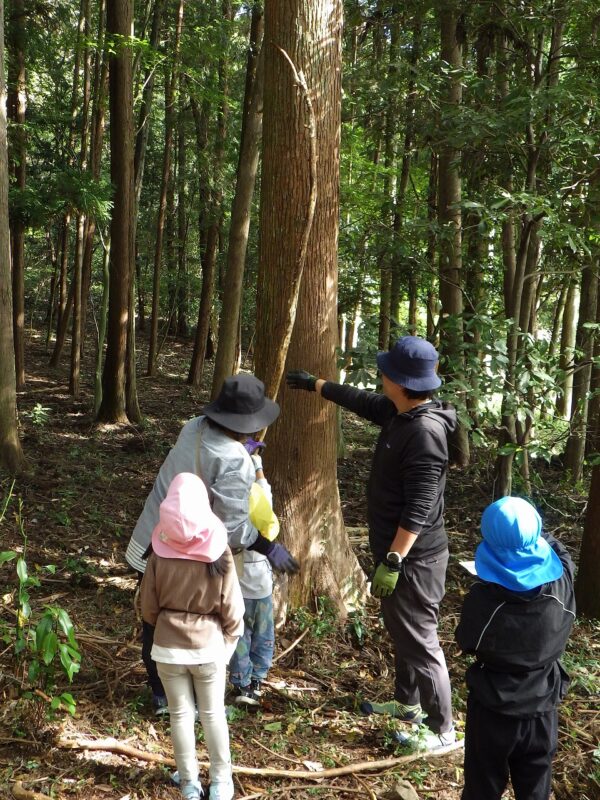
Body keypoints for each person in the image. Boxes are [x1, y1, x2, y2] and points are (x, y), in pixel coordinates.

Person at [287, 336, 457, 751]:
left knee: (421, 641)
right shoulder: (401, 412)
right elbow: (362, 402)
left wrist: (395, 559)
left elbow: (420, 506)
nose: (381, 375)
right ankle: (407, 705)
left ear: (400, 382)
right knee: (404, 632)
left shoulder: (425, 433)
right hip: (397, 554)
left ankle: (443, 731)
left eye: (386, 371)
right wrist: (316, 385)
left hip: (415, 560)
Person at [127, 374, 299, 713]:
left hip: (153, 540)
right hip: (190, 554)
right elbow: (234, 530)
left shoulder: (192, 426)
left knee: (156, 618)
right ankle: (188, 695)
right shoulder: (236, 460)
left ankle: (162, 694)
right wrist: (268, 547)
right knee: (195, 619)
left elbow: (203, 460)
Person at [455, 496, 575, 800]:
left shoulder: (483, 602)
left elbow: (466, 640)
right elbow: (560, 553)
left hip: (492, 711)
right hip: (542, 710)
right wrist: (527, 532)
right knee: (535, 790)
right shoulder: (561, 585)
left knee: (482, 789)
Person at [140, 472, 245, 800]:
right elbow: (233, 609)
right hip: (209, 648)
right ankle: (221, 783)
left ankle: (189, 783)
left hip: (167, 649)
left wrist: (167, 625)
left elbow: (148, 608)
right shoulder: (219, 553)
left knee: (180, 716)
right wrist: (228, 643)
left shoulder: (158, 554)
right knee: (213, 715)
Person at [229, 439, 279, 707]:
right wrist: (257, 463)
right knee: (260, 635)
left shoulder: (232, 504)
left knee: (241, 635)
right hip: (255, 586)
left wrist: (254, 462)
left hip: (239, 585)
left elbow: (262, 493)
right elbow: (264, 492)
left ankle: (245, 682)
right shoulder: (259, 506)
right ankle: (252, 681)